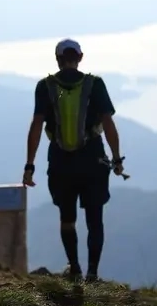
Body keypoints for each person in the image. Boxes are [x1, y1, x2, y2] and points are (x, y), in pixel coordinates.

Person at [22, 38, 125, 282]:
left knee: (67, 218)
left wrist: (29, 165)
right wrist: (116, 159)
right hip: (93, 159)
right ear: (80, 57)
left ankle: (75, 268)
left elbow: (37, 126)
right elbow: (108, 123)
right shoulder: (95, 84)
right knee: (95, 219)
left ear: (57, 59)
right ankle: (92, 273)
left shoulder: (45, 86)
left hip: (61, 161)